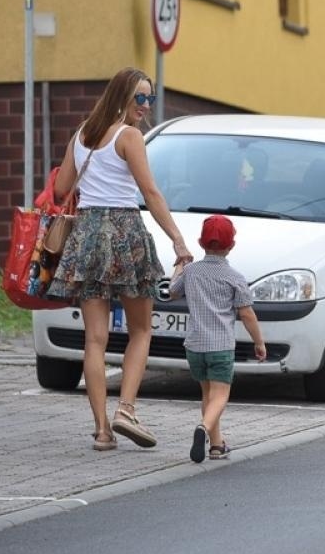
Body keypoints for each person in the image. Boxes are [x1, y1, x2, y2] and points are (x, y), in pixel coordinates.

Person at [47, 67, 193, 452]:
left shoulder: (82, 133)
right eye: (140, 98)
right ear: (122, 98)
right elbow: (151, 192)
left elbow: (62, 188)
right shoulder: (130, 137)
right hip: (125, 232)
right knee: (141, 330)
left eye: (150, 98)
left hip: (88, 234)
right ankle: (125, 410)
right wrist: (178, 240)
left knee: (94, 338)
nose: (146, 106)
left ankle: (101, 431)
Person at [169, 215, 265, 463]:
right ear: (231, 245)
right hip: (220, 346)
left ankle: (216, 444)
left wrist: (180, 264)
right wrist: (259, 342)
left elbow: (171, 292)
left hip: (195, 345)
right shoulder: (234, 277)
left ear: (201, 243)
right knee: (220, 396)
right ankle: (202, 429)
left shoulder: (191, 271)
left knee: (207, 395)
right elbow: (246, 313)